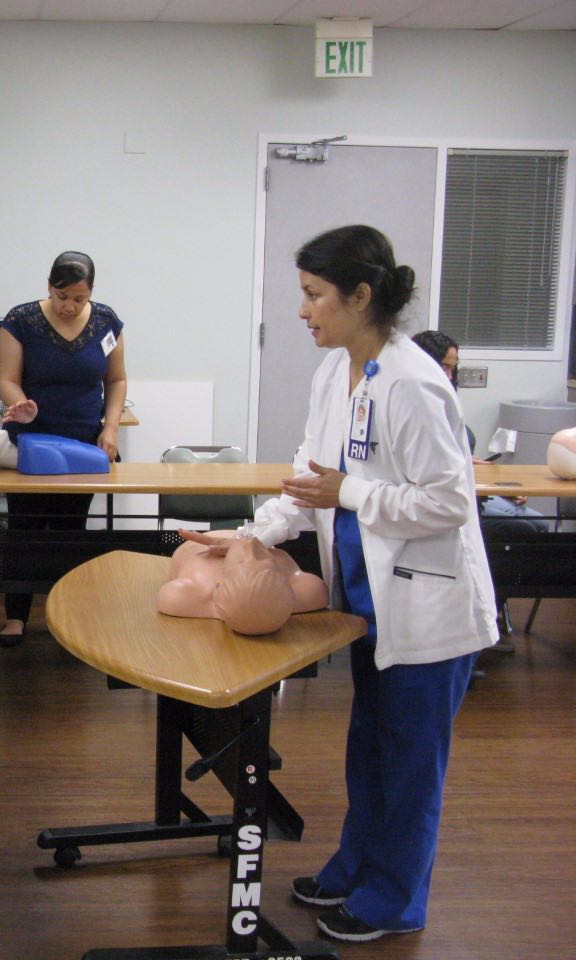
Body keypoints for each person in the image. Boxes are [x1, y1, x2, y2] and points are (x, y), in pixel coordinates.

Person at [187, 225, 497, 942]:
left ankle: (396, 898)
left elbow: (449, 501)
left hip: (428, 605)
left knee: (411, 760)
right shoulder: (337, 372)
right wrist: (252, 534)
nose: (303, 311)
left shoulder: (416, 385)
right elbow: (309, 477)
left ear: (361, 297)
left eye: (313, 295)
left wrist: (353, 495)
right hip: (367, 600)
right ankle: (356, 865)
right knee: (371, 746)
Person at [0, 250, 127, 646]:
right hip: (35, 442)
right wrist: (19, 405)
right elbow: (7, 379)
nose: (69, 306)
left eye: (79, 299)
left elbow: (117, 381)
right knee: (26, 528)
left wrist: (112, 428)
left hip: (85, 443)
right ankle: (16, 616)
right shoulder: (20, 321)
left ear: (91, 294)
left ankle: (68, 617)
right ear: (49, 286)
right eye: (61, 295)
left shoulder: (106, 321)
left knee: (72, 531)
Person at [410, 329, 549, 534]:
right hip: (447, 505)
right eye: (443, 367)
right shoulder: (411, 407)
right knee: (527, 529)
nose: (449, 376)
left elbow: (449, 455)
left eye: (453, 368)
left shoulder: (445, 403)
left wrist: (468, 461)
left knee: (540, 523)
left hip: (471, 493)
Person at [157, 531, 328, 635]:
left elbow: (167, 597)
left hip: (196, 547)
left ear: (220, 584)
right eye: (263, 558)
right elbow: (316, 589)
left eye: (240, 561)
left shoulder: (191, 591)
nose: (250, 548)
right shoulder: (297, 588)